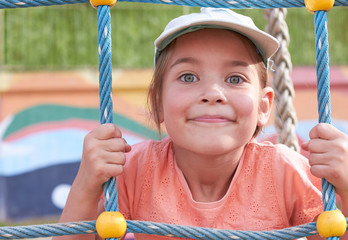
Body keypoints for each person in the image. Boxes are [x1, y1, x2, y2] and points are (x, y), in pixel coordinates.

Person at [54, 8, 348, 240]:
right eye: (188, 77)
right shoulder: (136, 168)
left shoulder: (284, 171)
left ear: (263, 106)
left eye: (235, 79)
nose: (212, 94)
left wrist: (346, 186)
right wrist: (86, 181)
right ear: (158, 103)